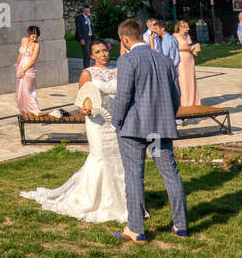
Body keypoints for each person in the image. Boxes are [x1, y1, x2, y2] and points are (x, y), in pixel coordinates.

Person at [21, 40, 128, 223]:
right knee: (100, 157)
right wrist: (85, 109)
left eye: (104, 51)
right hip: (97, 123)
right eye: (98, 52)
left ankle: (121, 202)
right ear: (92, 55)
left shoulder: (118, 71)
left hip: (115, 122)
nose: (103, 54)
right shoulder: (88, 73)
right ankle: (91, 200)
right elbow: (82, 99)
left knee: (117, 159)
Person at [111, 18, 187, 243]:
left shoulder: (127, 60)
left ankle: (136, 228)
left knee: (134, 176)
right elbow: (176, 96)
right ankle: (180, 225)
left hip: (134, 129)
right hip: (159, 129)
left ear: (125, 39)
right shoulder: (164, 60)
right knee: (170, 174)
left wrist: (116, 121)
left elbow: (123, 96)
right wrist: (167, 117)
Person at [15, 25, 41, 116]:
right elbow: (20, 54)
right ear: (29, 34)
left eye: (36, 37)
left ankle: (36, 113)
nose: (35, 38)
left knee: (28, 91)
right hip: (21, 66)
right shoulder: (24, 40)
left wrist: (24, 70)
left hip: (29, 69)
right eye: (33, 36)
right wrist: (17, 64)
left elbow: (33, 60)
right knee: (20, 91)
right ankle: (24, 112)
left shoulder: (37, 45)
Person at [174, 21, 201, 107]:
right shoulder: (175, 36)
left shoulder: (187, 36)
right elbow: (178, 47)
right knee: (183, 80)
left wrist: (196, 49)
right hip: (181, 59)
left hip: (189, 59)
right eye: (186, 27)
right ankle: (184, 101)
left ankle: (193, 100)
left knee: (191, 79)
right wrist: (191, 47)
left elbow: (191, 48)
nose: (188, 29)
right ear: (180, 27)